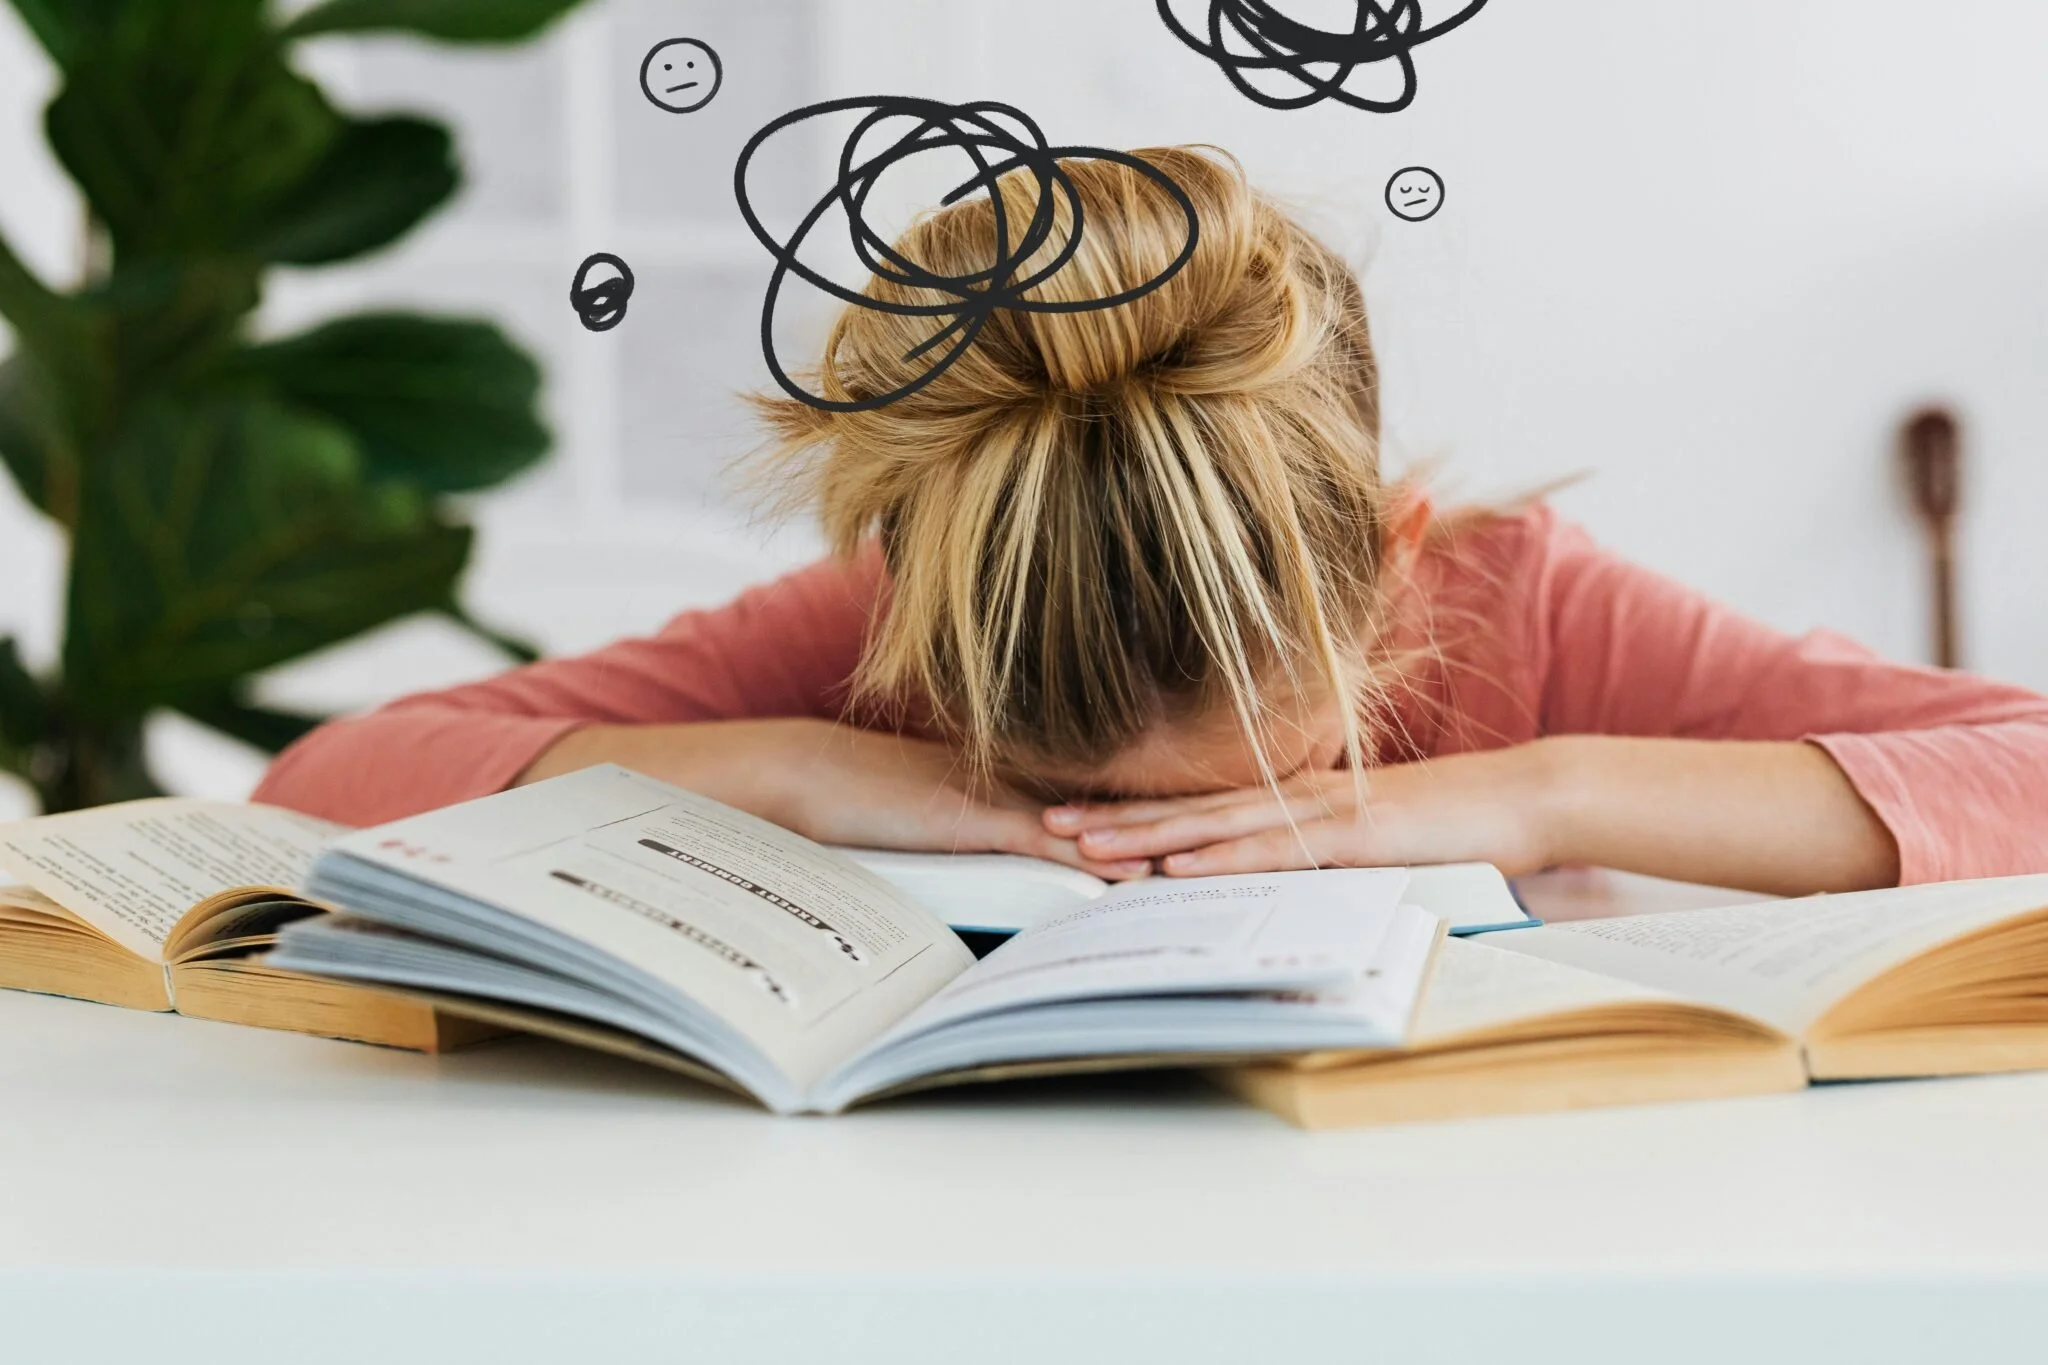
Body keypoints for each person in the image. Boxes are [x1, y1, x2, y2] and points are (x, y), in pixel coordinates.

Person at [254, 148, 2048, 896]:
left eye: (1278, 795)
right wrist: (797, 771)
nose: (1167, 868)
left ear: (1396, 559)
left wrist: (1537, 790)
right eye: (1089, 810)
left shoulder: (1526, 611)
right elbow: (329, 777)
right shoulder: (883, 632)